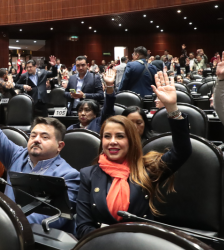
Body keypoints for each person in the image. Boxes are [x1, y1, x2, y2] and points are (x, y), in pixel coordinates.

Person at [75, 71, 192, 239]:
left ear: (131, 141)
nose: (112, 141)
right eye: (107, 136)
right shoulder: (88, 174)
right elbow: (84, 226)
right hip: (102, 248)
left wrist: (172, 108)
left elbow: (183, 151)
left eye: (120, 136)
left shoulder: (147, 169)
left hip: (141, 247)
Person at [0, 77, 79, 232]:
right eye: (33, 135)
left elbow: (55, 219)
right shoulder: (16, 155)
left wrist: (6, 219)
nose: (36, 140)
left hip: (38, 240)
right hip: (3, 231)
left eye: (44, 137)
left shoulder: (69, 176)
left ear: (60, 146)